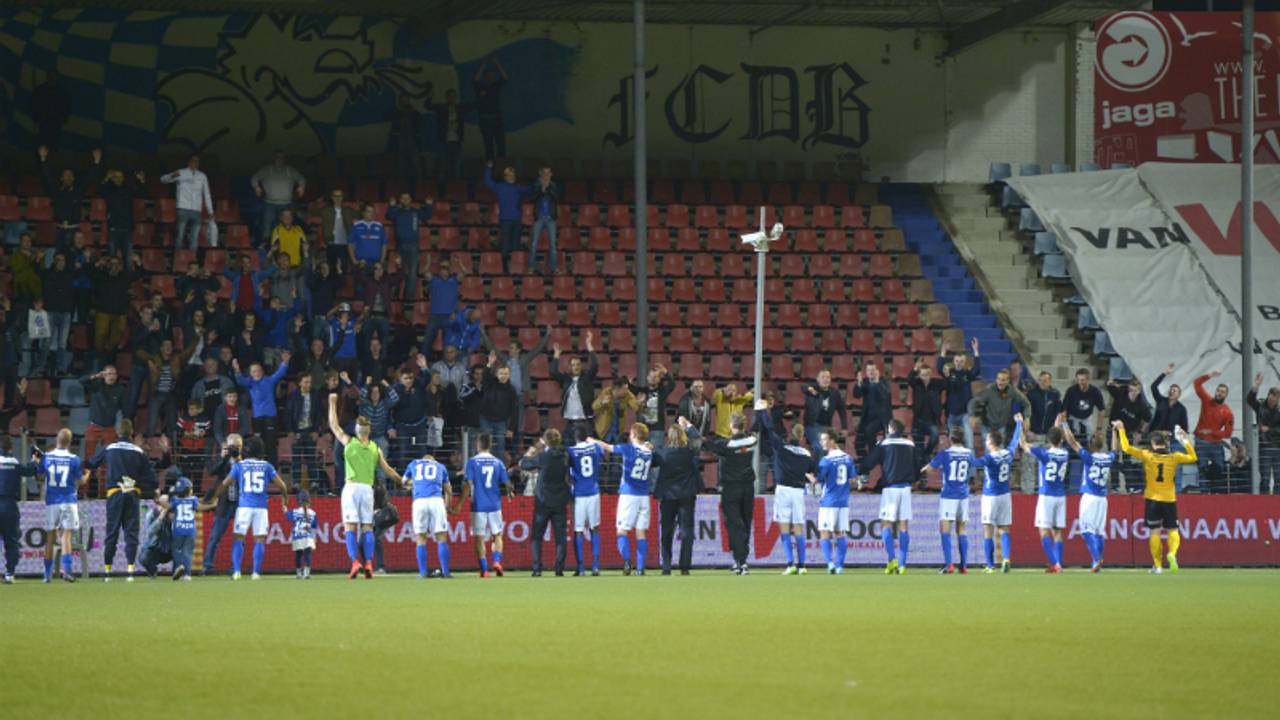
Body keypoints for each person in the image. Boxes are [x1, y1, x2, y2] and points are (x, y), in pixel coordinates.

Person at [329, 394, 404, 579]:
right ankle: (369, 562)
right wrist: (403, 481)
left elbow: (334, 426)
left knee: (350, 527)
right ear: (368, 431)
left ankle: (355, 562)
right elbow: (388, 471)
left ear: (356, 429)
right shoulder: (374, 448)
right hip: (367, 490)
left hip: (351, 488)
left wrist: (332, 403)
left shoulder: (350, 443)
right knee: (368, 527)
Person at [1114, 421, 1197, 573]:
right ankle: (1172, 553)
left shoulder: (1147, 455)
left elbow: (1126, 448)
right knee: (1172, 530)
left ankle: (1158, 566)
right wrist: (1185, 440)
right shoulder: (1175, 457)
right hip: (1169, 498)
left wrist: (1121, 429)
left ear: (1153, 443)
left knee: (1154, 531)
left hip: (1152, 498)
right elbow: (1193, 457)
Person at [86, 419, 160, 581]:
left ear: (117, 432)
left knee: (112, 531)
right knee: (131, 533)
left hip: (114, 493)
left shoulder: (110, 448)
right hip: (132, 494)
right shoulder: (138, 452)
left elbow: (91, 463)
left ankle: (107, 572)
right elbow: (152, 479)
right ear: (131, 432)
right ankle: (130, 571)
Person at [216, 436, 287, 580]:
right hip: (261, 508)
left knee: (238, 538)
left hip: (244, 508)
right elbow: (282, 486)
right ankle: (255, 573)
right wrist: (284, 502)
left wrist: (214, 497)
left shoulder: (240, 466)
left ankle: (236, 572)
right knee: (259, 539)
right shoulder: (267, 466)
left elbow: (224, 484)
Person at [753, 400, 812, 574]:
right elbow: (813, 472)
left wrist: (764, 412)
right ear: (801, 437)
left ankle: (790, 564)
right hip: (799, 491)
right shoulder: (807, 454)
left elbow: (770, 430)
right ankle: (802, 566)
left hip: (784, 490)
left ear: (789, 435)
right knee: (799, 526)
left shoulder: (781, 447)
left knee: (784, 526)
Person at [588, 423, 653, 576]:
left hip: (629, 495)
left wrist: (593, 440)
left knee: (621, 531)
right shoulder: (649, 451)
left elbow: (608, 447)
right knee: (641, 532)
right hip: (644, 496)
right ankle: (641, 568)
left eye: (631, 433)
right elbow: (647, 448)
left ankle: (627, 561)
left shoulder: (628, 448)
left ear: (634, 435)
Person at [859, 419, 917, 574]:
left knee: (886, 525)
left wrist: (861, 469)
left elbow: (869, 462)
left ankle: (892, 560)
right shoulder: (910, 444)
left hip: (890, 489)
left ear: (890, 429)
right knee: (903, 526)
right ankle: (903, 564)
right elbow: (918, 465)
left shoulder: (884, 444)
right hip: (906, 488)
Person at [703, 413, 758, 575]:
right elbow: (755, 432)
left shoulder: (727, 445)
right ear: (744, 426)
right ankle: (741, 560)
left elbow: (707, 444)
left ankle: (740, 561)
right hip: (748, 488)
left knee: (734, 524)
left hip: (731, 489)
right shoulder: (752, 441)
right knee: (746, 522)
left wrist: (689, 428)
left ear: (731, 426)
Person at [1062, 423, 1117, 572]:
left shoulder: (1088, 457)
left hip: (1090, 497)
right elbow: (1115, 450)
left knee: (1086, 530)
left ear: (1091, 446)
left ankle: (1097, 558)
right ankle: (1096, 564)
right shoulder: (1107, 458)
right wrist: (1115, 432)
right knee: (1099, 532)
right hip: (1102, 499)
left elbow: (1072, 442)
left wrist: (1065, 424)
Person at [37, 428, 89, 583]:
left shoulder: (46, 457)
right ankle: (67, 572)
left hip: (51, 501)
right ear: (70, 442)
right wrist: (88, 474)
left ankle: (47, 575)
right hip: (68, 500)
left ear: (56, 440)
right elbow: (80, 481)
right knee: (66, 536)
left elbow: (39, 476)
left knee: (50, 538)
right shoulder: (74, 459)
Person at [1020, 422, 1070, 573]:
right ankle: (1058, 563)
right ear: (1061, 440)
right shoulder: (1065, 454)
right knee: (1057, 531)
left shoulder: (1044, 453)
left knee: (1043, 530)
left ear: (1048, 440)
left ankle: (1056, 564)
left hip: (1046, 496)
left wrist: (1019, 425)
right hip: (1060, 496)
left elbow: (1023, 444)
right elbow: (1057, 439)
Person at [652, 417, 700, 575]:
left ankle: (666, 566)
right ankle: (684, 566)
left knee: (666, 531)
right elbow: (697, 439)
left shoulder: (662, 453)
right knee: (687, 532)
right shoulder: (688, 451)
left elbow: (650, 462)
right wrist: (689, 425)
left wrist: (648, 448)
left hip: (667, 497)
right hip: (686, 496)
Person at [521, 428, 572, 576]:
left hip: (542, 501)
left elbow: (524, 464)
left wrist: (530, 452)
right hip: (560, 500)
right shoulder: (565, 456)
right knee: (561, 537)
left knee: (537, 536)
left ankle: (537, 569)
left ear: (546, 441)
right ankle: (559, 569)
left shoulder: (543, 457)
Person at [461, 432, 511, 578]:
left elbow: (468, 483)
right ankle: (497, 561)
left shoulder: (472, 462)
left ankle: (484, 570)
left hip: (478, 506)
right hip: (495, 505)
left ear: (478, 444)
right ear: (490, 445)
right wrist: (510, 492)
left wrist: (459, 504)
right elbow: (508, 483)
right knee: (497, 535)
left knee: (479, 538)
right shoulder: (498, 462)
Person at [808, 429, 856, 574]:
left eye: (824, 439)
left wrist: (808, 476)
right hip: (843, 501)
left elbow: (817, 480)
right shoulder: (848, 458)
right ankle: (840, 565)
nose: (822, 442)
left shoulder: (826, 461)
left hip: (829, 501)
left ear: (832, 441)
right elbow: (853, 480)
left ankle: (830, 564)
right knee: (840, 533)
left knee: (824, 533)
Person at [927, 426, 974, 574]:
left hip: (949, 495)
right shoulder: (969, 453)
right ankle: (964, 565)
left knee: (945, 529)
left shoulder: (945, 453)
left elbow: (929, 469)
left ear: (949, 438)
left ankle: (949, 565)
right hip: (963, 495)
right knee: (961, 529)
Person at [979, 416, 1022, 573]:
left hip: (990, 496)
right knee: (1004, 528)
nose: (985, 442)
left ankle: (990, 565)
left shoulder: (989, 458)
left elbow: (975, 463)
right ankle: (1006, 559)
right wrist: (1019, 423)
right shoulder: (1008, 453)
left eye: (987, 440)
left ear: (991, 443)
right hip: (1005, 495)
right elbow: (1015, 440)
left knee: (988, 529)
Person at [233, 353, 291, 465]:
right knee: (258, 443)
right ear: (250, 373)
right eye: (254, 371)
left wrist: (285, 362)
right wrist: (237, 370)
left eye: (259, 370)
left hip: (270, 416)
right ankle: (258, 465)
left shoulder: (269, 380)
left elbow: (279, 374)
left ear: (262, 371)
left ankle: (273, 467)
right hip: (257, 418)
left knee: (271, 443)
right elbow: (240, 380)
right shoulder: (250, 382)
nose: (257, 373)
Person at [0, 434, 40, 584]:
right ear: (11, 447)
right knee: (11, 541)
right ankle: (10, 573)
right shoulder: (14, 463)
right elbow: (30, 471)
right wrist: (34, 459)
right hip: (9, 505)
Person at [406, 451, 453, 579]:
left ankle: (422, 573)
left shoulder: (413, 464)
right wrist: (448, 506)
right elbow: (449, 490)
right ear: (433, 460)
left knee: (421, 538)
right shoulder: (440, 466)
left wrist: (415, 483)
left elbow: (404, 482)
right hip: (436, 500)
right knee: (441, 536)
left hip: (419, 501)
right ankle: (446, 572)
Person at [566, 426, 606, 576]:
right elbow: (604, 452)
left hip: (579, 494)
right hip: (594, 492)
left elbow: (568, 470)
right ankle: (595, 566)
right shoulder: (595, 447)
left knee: (578, 530)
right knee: (595, 528)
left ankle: (581, 567)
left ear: (575, 438)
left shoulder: (570, 451)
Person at [201, 434, 242, 575]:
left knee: (239, 538)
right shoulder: (222, 459)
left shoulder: (244, 460)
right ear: (225, 445)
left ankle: (235, 568)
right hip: (224, 502)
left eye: (237, 446)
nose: (234, 449)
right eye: (232, 446)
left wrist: (239, 459)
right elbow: (212, 471)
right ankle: (207, 566)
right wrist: (223, 458)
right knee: (215, 536)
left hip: (239, 503)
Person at [157, 474, 210, 581]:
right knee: (188, 551)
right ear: (188, 490)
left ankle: (179, 567)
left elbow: (165, 504)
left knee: (176, 549)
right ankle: (187, 574)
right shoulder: (194, 500)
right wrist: (212, 505)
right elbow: (201, 507)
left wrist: (162, 497)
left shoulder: (175, 500)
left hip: (178, 529)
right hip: (190, 530)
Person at [250, 150, 305, 246]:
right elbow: (254, 178)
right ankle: (266, 246)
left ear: (284, 159)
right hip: (269, 203)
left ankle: (286, 244)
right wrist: (256, 187)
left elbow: (302, 179)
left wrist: (301, 186)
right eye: (277, 157)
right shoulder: (267, 169)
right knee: (267, 227)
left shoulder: (290, 170)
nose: (279, 160)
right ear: (273, 158)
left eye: (281, 157)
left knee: (286, 226)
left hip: (286, 204)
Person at [483, 161, 530, 274]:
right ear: (505, 177)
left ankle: (516, 268)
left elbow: (531, 189)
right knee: (505, 243)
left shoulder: (518, 187)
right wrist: (488, 169)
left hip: (517, 220)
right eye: (509, 175)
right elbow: (488, 182)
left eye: (513, 175)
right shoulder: (500, 187)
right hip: (505, 219)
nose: (511, 177)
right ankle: (504, 267)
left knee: (515, 244)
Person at [160, 155, 214, 251]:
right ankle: (177, 258)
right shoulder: (181, 172)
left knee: (194, 238)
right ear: (189, 162)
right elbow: (163, 180)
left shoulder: (202, 176)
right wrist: (172, 176)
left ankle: (192, 260)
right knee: (179, 236)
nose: (196, 163)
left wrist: (210, 210)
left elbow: (207, 194)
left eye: (197, 161)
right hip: (183, 209)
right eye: (194, 161)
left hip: (196, 210)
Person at [386, 194, 434, 299]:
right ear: (400, 200)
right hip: (400, 245)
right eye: (403, 198)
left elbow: (427, 216)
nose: (405, 200)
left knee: (412, 274)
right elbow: (389, 216)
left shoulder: (415, 212)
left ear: (411, 200)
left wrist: (429, 205)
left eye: (407, 198)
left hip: (413, 246)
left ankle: (408, 299)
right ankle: (396, 298)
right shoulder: (397, 212)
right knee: (400, 272)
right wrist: (392, 206)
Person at [551, 332, 599, 438]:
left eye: (578, 364)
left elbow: (595, 365)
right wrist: (556, 355)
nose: (576, 367)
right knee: (568, 451)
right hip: (570, 422)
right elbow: (553, 372)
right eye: (573, 365)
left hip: (585, 423)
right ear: (569, 367)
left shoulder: (586, 378)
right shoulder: (566, 379)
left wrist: (589, 345)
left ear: (581, 366)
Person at [1192, 370, 1233, 488]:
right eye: (1218, 391)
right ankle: (1204, 498)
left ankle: (1216, 497)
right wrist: (1209, 375)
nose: (1219, 393)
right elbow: (1196, 383)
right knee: (1202, 471)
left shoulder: (1227, 412)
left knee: (1219, 470)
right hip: (1201, 442)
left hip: (1216, 443)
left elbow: (1228, 433)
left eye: (1223, 392)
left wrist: (1212, 432)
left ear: (1226, 395)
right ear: (1215, 392)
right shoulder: (1207, 400)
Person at [939, 337, 981, 447]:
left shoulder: (967, 374)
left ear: (965, 362)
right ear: (953, 361)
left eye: (961, 361)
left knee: (969, 441)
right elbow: (939, 368)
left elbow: (976, 370)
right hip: (952, 414)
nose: (959, 363)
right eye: (957, 361)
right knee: (953, 443)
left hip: (965, 414)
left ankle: (971, 464)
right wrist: (943, 352)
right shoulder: (949, 373)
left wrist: (976, 351)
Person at [421, 254, 465, 358]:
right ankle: (423, 364)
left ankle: (445, 366)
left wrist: (459, 262)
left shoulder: (453, 280)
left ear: (449, 270)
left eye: (446, 268)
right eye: (441, 268)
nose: (443, 270)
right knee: (426, 342)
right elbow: (425, 273)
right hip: (434, 316)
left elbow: (464, 273)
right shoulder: (434, 280)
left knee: (448, 344)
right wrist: (429, 262)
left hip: (449, 317)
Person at [909, 359, 947, 466]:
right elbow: (909, 379)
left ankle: (927, 453)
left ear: (930, 374)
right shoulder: (916, 384)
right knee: (918, 445)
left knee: (935, 436)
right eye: (923, 375)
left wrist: (945, 374)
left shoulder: (936, 383)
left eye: (928, 374)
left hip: (932, 421)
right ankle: (922, 463)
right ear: (920, 375)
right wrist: (915, 369)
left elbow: (947, 383)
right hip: (918, 421)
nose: (925, 377)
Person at [1247, 373, 1280, 494]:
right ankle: (1264, 503)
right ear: (1268, 395)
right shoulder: (1260, 407)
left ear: (1278, 399)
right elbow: (1250, 400)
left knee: (1278, 478)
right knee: (1265, 477)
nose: (1273, 398)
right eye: (1271, 395)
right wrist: (1256, 386)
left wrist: (1269, 429)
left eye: (1276, 397)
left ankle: (1277, 503)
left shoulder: (1279, 412)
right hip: (1264, 446)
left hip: (1277, 447)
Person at [311, 189, 355, 275]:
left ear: (342, 198)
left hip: (345, 244)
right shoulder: (326, 210)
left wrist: (362, 205)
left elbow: (361, 214)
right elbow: (313, 212)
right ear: (332, 198)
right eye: (335, 196)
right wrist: (317, 202)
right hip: (331, 242)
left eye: (340, 196)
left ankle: (342, 285)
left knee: (343, 268)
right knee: (331, 268)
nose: (338, 198)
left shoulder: (348, 210)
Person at [803, 368, 848, 451]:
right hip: (812, 425)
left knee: (832, 448)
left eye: (827, 377)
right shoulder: (813, 390)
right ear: (818, 379)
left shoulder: (834, 393)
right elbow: (803, 386)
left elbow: (842, 410)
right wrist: (810, 390)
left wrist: (844, 427)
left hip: (827, 426)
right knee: (820, 446)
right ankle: (817, 464)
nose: (825, 379)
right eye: (823, 377)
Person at [852, 362, 892, 456]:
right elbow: (856, 394)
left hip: (881, 418)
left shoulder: (883, 382)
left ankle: (873, 456)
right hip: (867, 417)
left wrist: (877, 382)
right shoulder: (865, 382)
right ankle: (866, 460)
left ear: (877, 371)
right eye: (869, 370)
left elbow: (885, 395)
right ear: (866, 371)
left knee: (869, 431)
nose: (871, 372)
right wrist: (859, 382)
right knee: (858, 443)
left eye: (873, 370)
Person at [473, 60, 509, 161]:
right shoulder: (480, 87)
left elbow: (505, 77)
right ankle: (491, 169)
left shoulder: (496, 86)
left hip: (497, 119)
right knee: (488, 145)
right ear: (485, 77)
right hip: (485, 119)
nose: (491, 77)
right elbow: (475, 79)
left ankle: (501, 167)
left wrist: (497, 64)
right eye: (488, 76)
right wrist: (483, 65)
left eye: (492, 76)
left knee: (501, 144)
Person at [1062, 369, 1107, 445]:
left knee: (1089, 443)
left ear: (1088, 379)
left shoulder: (1095, 391)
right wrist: (1064, 426)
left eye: (1083, 380)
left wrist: (1099, 429)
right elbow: (1064, 409)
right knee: (1070, 444)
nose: (1080, 382)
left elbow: (1101, 411)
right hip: (1072, 419)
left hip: (1087, 419)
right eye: (1078, 380)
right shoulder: (1071, 390)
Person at [528, 166, 559, 274]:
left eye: (548, 173)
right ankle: (531, 267)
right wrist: (541, 190)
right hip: (539, 218)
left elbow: (556, 198)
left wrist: (548, 189)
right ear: (540, 174)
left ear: (551, 174)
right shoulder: (536, 185)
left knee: (553, 245)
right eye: (544, 173)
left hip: (550, 219)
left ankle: (554, 268)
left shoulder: (554, 185)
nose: (546, 175)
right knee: (533, 244)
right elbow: (532, 198)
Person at [286, 490, 317, 579]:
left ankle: (298, 573)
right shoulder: (313, 513)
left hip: (297, 536)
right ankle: (306, 573)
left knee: (298, 555)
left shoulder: (294, 511)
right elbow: (314, 526)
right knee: (308, 554)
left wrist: (284, 508)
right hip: (308, 537)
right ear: (309, 500)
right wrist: (314, 538)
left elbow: (288, 516)